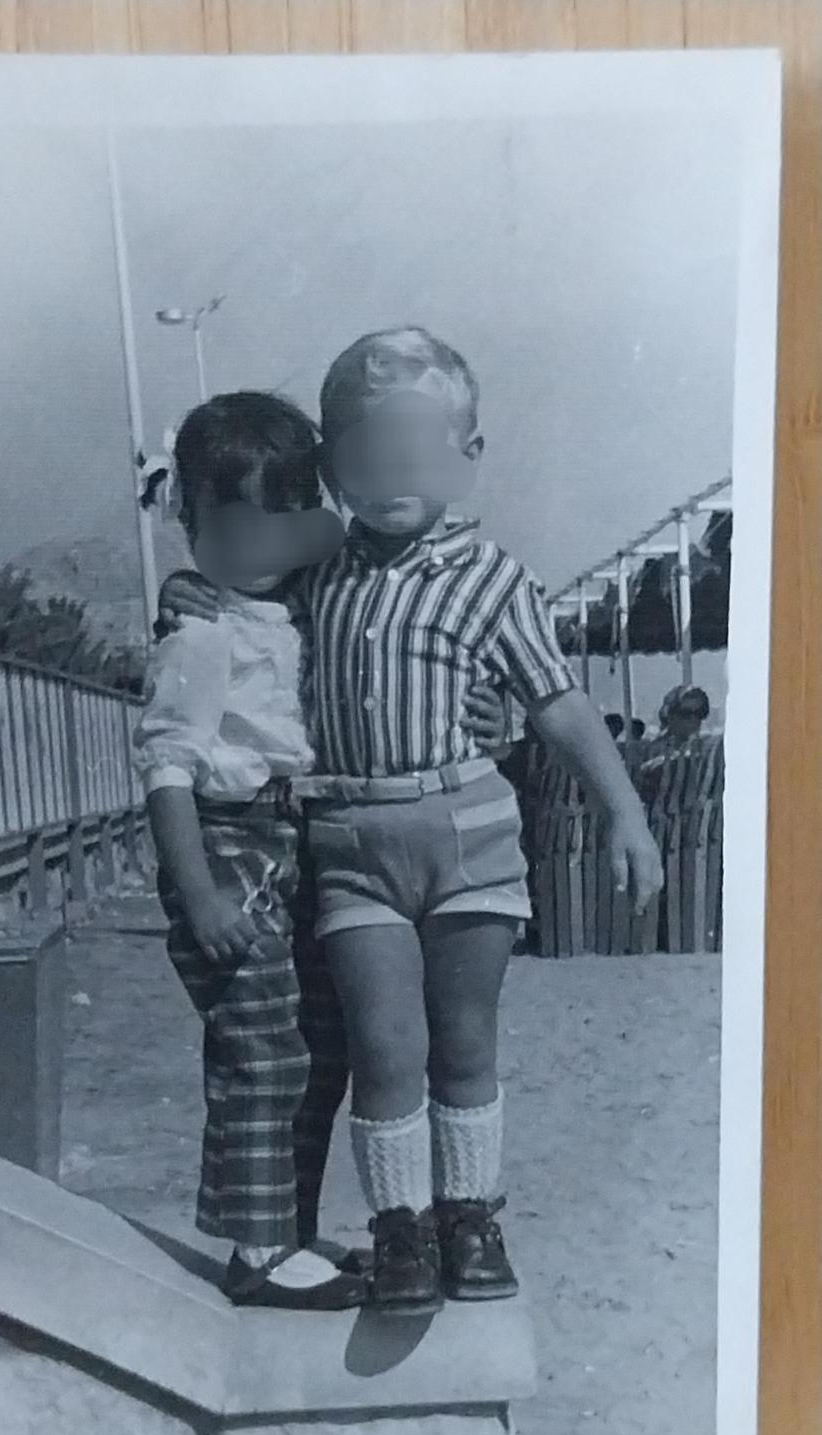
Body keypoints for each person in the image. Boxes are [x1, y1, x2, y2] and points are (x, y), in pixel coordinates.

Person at [160, 329, 663, 1315]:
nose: (391, 481)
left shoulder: (498, 582)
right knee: (386, 1047)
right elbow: (241, 577)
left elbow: (556, 701)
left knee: (465, 1038)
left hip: (471, 832)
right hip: (354, 847)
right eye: (364, 460)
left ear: (467, 458)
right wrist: (191, 594)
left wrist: (624, 811)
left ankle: (466, 1216)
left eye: (416, 458)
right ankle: (401, 1231)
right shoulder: (324, 568)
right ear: (332, 472)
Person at [134, 390, 507, 1310]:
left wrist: (487, 713)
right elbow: (169, 768)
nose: (257, 547)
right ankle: (257, 1257)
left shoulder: (302, 599)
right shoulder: (203, 632)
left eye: (277, 525)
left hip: (291, 843)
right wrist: (201, 895)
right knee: (259, 1055)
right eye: (232, 530)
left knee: (315, 1050)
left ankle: (288, 1235)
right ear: (190, 522)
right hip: (225, 851)